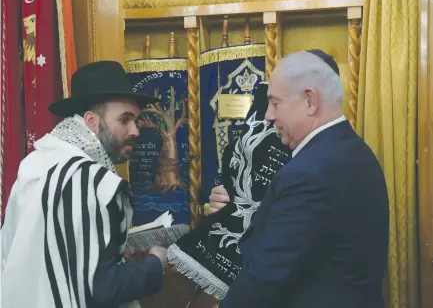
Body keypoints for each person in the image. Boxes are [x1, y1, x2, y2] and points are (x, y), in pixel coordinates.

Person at [210, 50, 389, 308]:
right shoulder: (355, 151)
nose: (269, 115)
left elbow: (268, 276)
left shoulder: (309, 173)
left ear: (309, 101)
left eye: (275, 103)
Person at [1, 61, 168, 308]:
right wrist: (155, 263)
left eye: (137, 120)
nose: (135, 130)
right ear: (91, 121)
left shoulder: (35, 164)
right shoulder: (93, 181)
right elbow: (99, 290)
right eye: (125, 120)